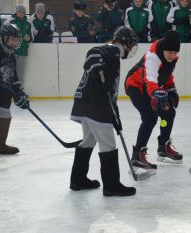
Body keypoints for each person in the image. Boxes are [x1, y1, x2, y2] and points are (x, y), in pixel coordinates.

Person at [70, 26, 139, 196]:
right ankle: (112, 185)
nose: (130, 49)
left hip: (85, 103)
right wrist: (96, 68)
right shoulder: (112, 50)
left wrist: (114, 114)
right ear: (125, 42)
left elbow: (109, 89)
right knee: (108, 144)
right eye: (130, 44)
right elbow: (93, 53)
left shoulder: (113, 55)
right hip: (96, 105)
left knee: (88, 141)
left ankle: (77, 179)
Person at [125, 30, 183, 171]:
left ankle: (164, 147)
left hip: (151, 88)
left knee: (168, 114)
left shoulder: (172, 58)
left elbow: (166, 74)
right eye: (169, 52)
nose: (172, 55)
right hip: (135, 86)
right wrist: (156, 92)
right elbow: (150, 77)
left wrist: (171, 88)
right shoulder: (152, 56)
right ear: (164, 49)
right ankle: (138, 155)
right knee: (150, 117)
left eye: (175, 53)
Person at [0, 24, 30, 155]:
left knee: (5, 113)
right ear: (4, 38)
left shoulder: (11, 55)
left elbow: (14, 77)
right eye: (13, 39)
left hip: (2, 92)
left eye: (17, 40)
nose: (15, 42)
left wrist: (18, 93)